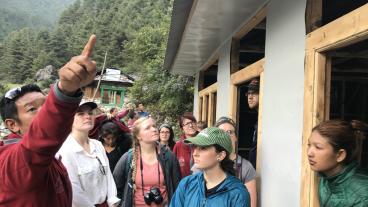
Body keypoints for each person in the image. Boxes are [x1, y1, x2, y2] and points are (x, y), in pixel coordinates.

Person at [0, 35, 97, 206]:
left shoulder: (49, 158)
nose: (44, 112)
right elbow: (42, 137)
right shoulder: (11, 163)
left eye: (46, 105)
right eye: (32, 109)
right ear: (12, 124)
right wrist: (65, 91)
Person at [57, 101, 120, 207]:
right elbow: (73, 189)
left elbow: (108, 175)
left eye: (90, 113)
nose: (87, 116)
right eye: (80, 113)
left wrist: (112, 200)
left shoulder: (98, 145)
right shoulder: (66, 150)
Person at [170, 127, 250, 207]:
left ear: (221, 155)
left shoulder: (238, 194)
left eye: (203, 148)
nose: (195, 153)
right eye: (195, 147)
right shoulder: (187, 184)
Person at [113, 117, 181, 207]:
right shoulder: (128, 158)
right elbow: (115, 188)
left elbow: (178, 187)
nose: (154, 129)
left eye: (154, 126)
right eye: (147, 128)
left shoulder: (169, 156)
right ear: (138, 136)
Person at [307, 119, 368, 206]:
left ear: (340, 155)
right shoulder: (326, 178)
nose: (309, 153)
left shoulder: (362, 197)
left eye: (318, 147)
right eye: (309, 145)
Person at [215, 117, 257, 207]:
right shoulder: (207, 162)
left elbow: (251, 204)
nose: (226, 136)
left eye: (230, 132)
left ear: (235, 138)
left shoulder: (246, 167)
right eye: (221, 132)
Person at [247, 78, 260, 168]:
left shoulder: (267, 119)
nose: (250, 97)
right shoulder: (258, 118)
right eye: (249, 93)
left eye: (254, 93)